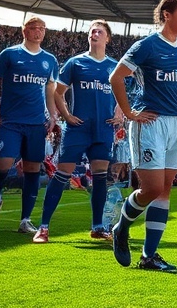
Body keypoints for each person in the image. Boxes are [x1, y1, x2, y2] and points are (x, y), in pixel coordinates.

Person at [109, 0, 177, 271]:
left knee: (165, 190)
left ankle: (149, 255)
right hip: (149, 123)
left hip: (176, 125)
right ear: (166, 15)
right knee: (152, 188)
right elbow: (116, 77)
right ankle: (121, 227)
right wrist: (129, 113)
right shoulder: (146, 46)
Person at [38, 19, 122, 243]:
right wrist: (66, 116)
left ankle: (97, 227)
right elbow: (58, 92)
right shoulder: (75, 63)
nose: (95, 34)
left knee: (100, 177)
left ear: (107, 38)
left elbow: (122, 93)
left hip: (103, 128)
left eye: (100, 31)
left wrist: (120, 111)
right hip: (78, 129)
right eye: (92, 31)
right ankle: (43, 227)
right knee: (62, 174)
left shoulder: (114, 66)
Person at [0, 17, 60, 233]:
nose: (38, 32)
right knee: (3, 165)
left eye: (42, 28)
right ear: (24, 31)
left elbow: (50, 89)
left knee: (32, 169)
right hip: (11, 121)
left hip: (36, 123)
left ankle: (25, 220)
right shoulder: (10, 54)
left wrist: (53, 115)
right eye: (33, 28)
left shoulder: (50, 60)